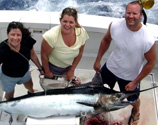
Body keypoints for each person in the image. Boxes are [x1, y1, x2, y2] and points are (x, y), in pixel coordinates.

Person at [93, 1, 156, 125]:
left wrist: (135, 82)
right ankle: (101, 106)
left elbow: (151, 62)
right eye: (128, 13)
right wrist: (98, 60)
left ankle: (136, 111)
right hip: (111, 67)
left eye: (134, 13)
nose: (130, 16)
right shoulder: (115, 25)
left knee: (133, 100)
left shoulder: (147, 39)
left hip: (130, 77)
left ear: (141, 15)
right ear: (125, 13)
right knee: (99, 90)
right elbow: (106, 40)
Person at [41, 7, 89, 83]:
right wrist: (47, 72)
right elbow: (44, 55)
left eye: (71, 22)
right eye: (65, 21)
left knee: (78, 84)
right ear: (60, 20)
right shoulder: (51, 35)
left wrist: (72, 70)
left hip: (69, 67)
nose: (67, 25)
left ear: (75, 23)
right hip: (52, 68)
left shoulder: (82, 32)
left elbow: (80, 52)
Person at [0, 21, 43, 100]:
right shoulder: (2, 49)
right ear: (7, 34)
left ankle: (31, 92)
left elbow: (32, 55)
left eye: (18, 35)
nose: (15, 38)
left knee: (30, 86)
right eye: (12, 34)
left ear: (22, 35)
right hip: (8, 77)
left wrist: (40, 68)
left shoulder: (26, 41)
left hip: (24, 73)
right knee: (9, 95)